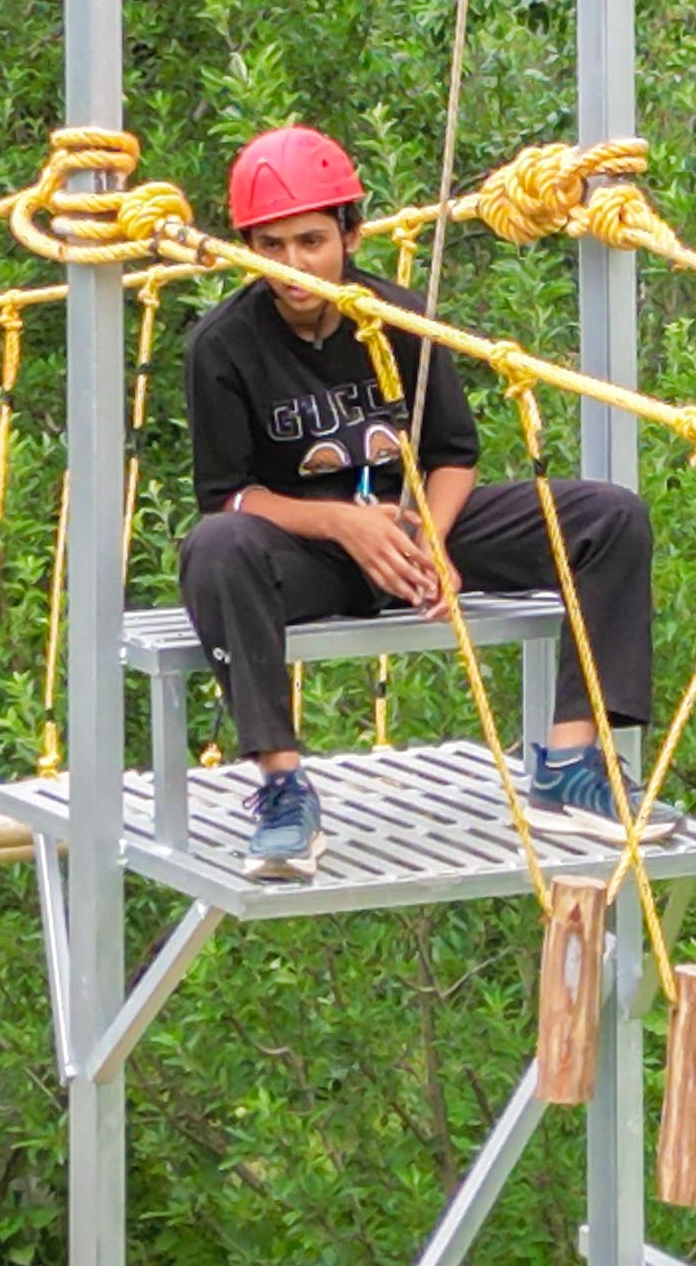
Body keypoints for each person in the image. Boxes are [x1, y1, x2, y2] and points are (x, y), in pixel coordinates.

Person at [177, 125, 658, 880]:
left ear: (350, 234)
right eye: (269, 247)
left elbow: (451, 456)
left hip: (412, 532)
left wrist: (428, 538)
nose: (294, 266)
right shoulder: (223, 345)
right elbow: (230, 498)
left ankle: (569, 763)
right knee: (212, 550)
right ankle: (282, 788)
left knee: (608, 518)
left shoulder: (395, 316)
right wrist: (343, 522)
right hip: (309, 554)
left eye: (310, 241)